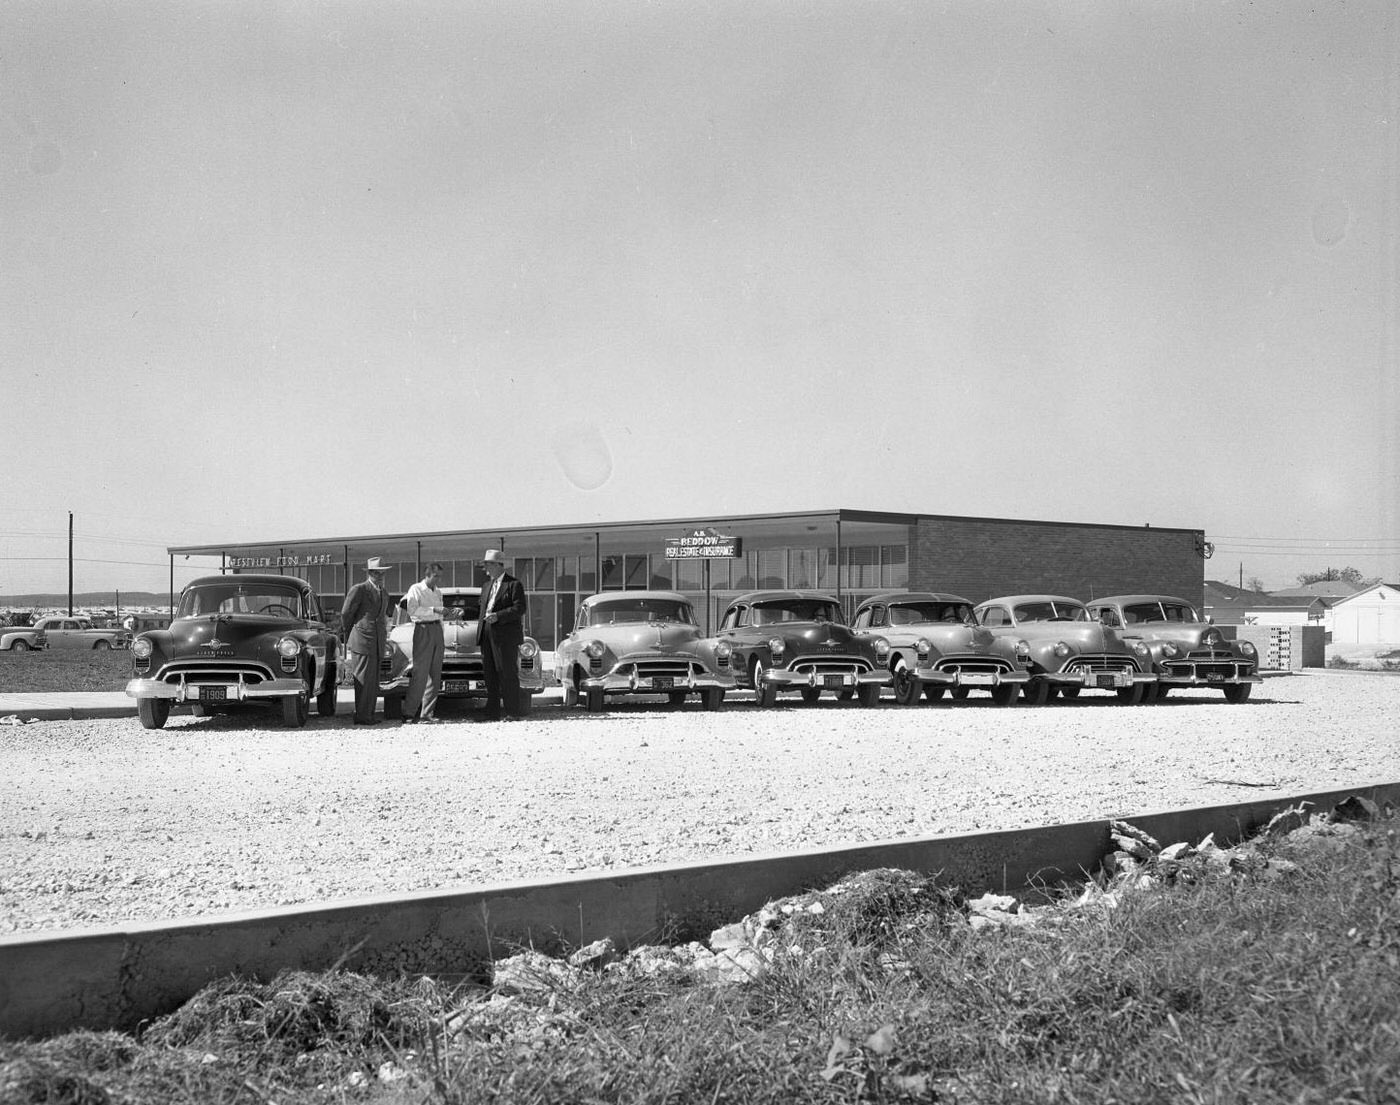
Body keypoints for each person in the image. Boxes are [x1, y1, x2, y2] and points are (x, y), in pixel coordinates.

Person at [340, 556, 392, 725]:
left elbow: (382, 616)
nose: (380, 576)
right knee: (362, 679)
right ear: (369, 573)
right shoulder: (359, 589)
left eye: (383, 573)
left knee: (373, 680)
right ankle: (362, 715)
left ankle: (369, 714)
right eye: (377, 572)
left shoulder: (384, 592)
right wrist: (351, 631)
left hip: (377, 641)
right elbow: (346, 613)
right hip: (362, 639)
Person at [477, 549, 527, 720]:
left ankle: (512, 712)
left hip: (505, 636)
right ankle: (492, 712)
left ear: (499, 565)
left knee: (507, 673)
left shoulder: (514, 585)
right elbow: (481, 608)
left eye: (488, 564)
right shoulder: (486, 586)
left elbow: (520, 608)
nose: (486, 569)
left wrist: (498, 616)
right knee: (490, 673)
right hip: (487, 634)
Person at [401, 563, 446, 724]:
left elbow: (439, 614)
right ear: (427, 575)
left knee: (435, 673)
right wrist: (434, 610)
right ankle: (409, 713)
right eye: (436, 576)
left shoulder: (438, 591)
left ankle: (427, 713)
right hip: (423, 629)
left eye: (440, 576)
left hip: (437, 630)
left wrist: (445, 615)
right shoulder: (415, 589)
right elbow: (412, 610)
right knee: (420, 672)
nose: (438, 579)